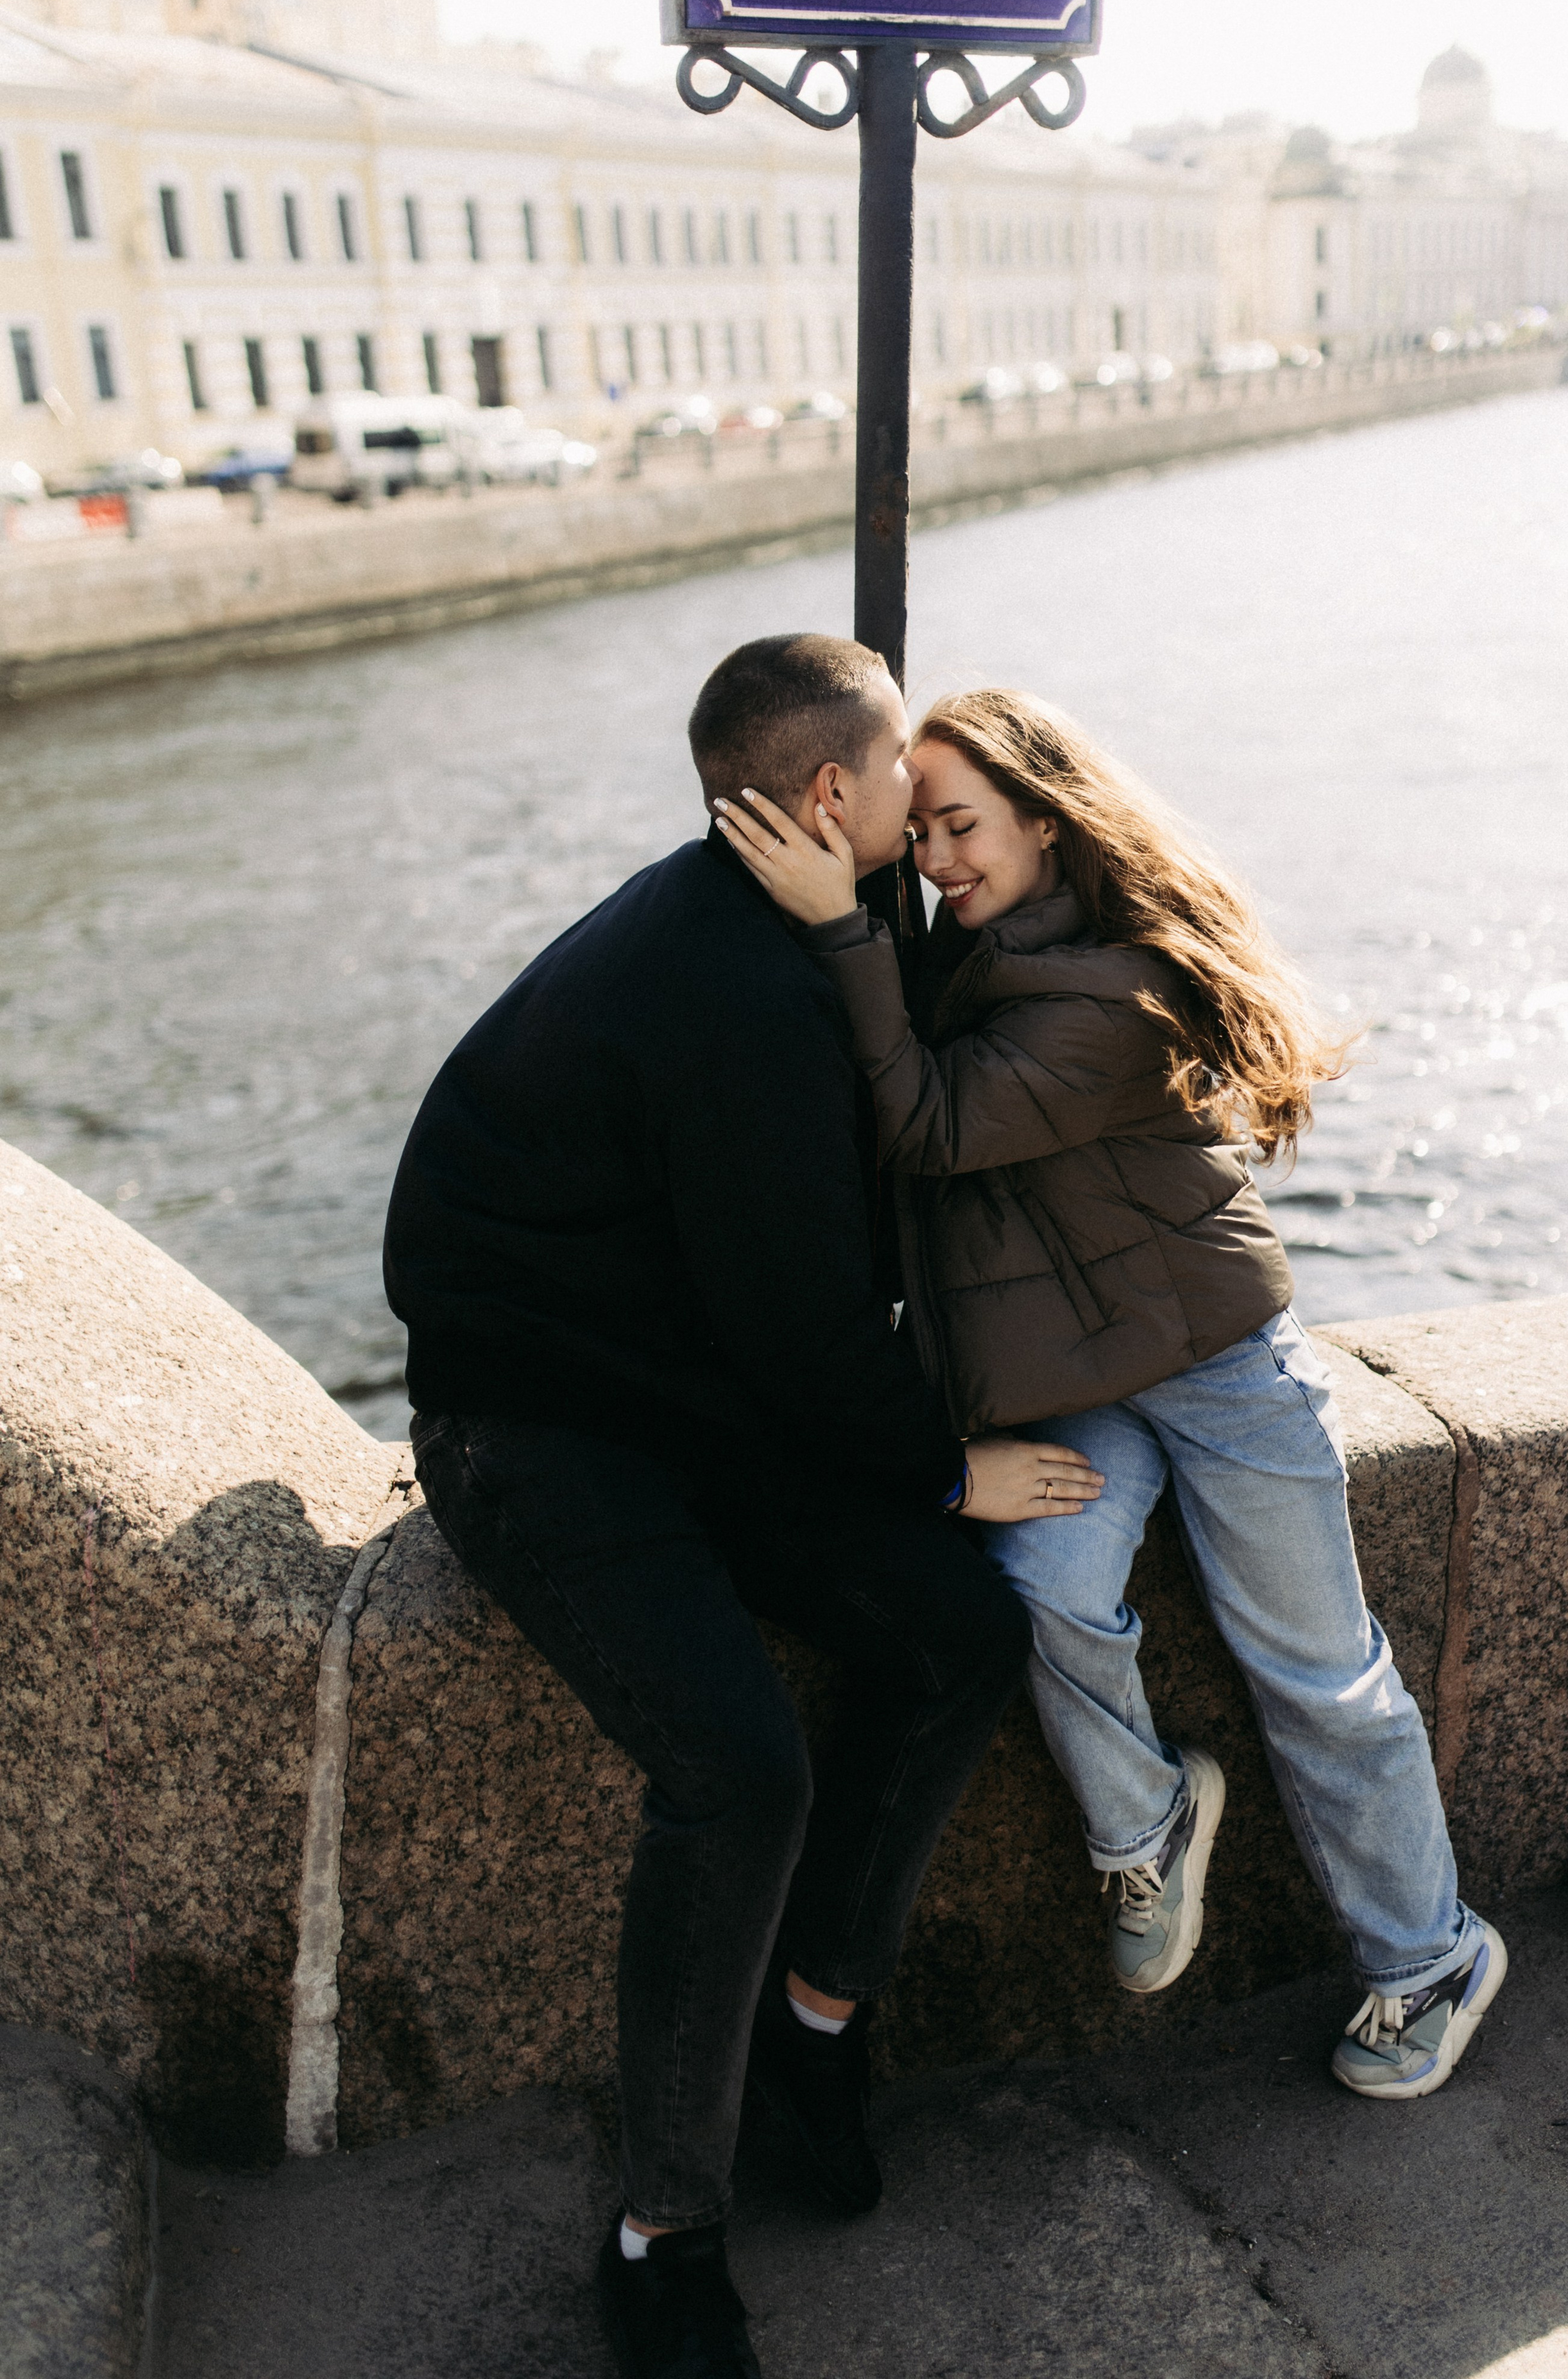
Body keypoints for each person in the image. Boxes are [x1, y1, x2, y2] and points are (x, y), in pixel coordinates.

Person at [383, 638, 1098, 2379]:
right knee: (738, 1768)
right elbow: (801, 1331)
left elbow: (787, 1312)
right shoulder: (730, 986)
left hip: (685, 1393)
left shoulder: (796, 925)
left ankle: (814, 2028)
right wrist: (948, 1468)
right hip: (537, 1429)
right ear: (831, 795)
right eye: (901, 796)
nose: (926, 834)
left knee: (954, 1630)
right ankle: (661, 2234)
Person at [714, 682, 1506, 2106]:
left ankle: (1431, 1956)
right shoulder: (956, 952)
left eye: (961, 827)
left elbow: (926, 1122)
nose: (935, 857)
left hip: (1211, 1369)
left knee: (1316, 1672)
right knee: (1042, 1590)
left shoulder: (1114, 989)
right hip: (1067, 1382)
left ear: (1042, 818)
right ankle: (1146, 1819)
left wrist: (839, 927)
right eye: (922, 830)